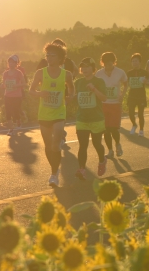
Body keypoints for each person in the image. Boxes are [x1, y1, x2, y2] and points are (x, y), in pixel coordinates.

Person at [30, 42, 74, 187]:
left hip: (59, 112)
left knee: (56, 143)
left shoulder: (66, 74)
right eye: (47, 55)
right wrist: (40, 93)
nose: (48, 57)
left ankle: (54, 174)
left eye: (52, 55)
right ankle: (54, 170)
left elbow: (71, 88)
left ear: (60, 57)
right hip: (44, 113)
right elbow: (31, 91)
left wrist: (70, 97)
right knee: (49, 146)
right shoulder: (40, 73)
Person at [37, 38, 76, 148]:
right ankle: (57, 136)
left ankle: (60, 135)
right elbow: (38, 76)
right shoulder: (44, 62)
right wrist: (41, 91)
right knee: (48, 141)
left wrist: (70, 95)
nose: (50, 56)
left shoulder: (68, 62)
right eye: (48, 54)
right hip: (47, 98)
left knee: (59, 117)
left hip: (62, 95)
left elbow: (72, 76)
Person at [74, 58, 108, 179]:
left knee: (97, 143)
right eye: (82, 67)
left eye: (88, 67)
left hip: (96, 119)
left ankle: (102, 160)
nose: (85, 69)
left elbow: (104, 98)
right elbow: (75, 98)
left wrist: (94, 89)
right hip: (82, 118)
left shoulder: (99, 81)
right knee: (82, 145)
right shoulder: (78, 82)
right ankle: (82, 169)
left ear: (93, 69)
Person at [96, 52, 128, 157]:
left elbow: (126, 83)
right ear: (102, 63)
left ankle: (118, 144)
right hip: (103, 104)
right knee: (106, 129)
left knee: (114, 128)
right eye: (105, 64)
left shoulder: (120, 72)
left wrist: (122, 95)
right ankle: (110, 151)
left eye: (110, 63)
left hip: (115, 104)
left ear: (114, 62)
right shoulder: (99, 74)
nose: (108, 66)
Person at [3, 55, 26, 136]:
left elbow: (24, 83)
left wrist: (16, 86)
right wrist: (3, 85)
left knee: (16, 112)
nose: (11, 64)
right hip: (7, 95)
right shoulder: (5, 73)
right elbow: (4, 84)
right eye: (9, 62)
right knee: (8, 113)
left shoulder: (19, 73)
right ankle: (11, 129)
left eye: (13, 62)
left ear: (17, 64)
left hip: (17, 96)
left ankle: (19, 122)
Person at [127, 53, 149, 137]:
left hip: (141, 96)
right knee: (131, 113)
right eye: (132, 61)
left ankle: (141, 129)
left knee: (140, 114)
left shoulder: (144, 72)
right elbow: (126, 83)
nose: (134, 63)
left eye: (136, 61)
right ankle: (134, 124)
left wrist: (146, 82)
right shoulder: (129, 73)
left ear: (139, 62)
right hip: (132, 95)